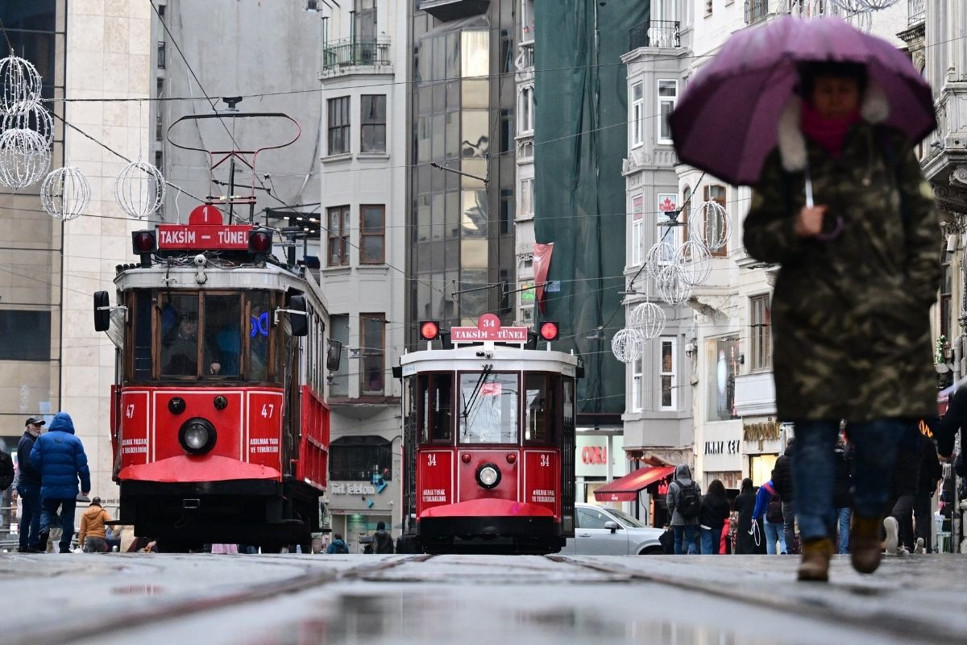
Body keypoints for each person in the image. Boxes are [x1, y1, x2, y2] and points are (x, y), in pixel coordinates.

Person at [744, 60, 941, 582]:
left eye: (843, 92)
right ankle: (814, 541)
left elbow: (927, 232)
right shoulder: (786, 163)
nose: (833, 101)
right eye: (822, 92)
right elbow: (756, 239)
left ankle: (871, 521)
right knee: (812, 436)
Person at [30, 411, 91, 553]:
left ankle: (44, 529)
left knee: (46, 511)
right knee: (68, 516)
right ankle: (64, 546)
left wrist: (43, 470)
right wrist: (85, 486)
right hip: (69, 487)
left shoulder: (43, 439)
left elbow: (33, 457)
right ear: (70, 424)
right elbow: (82, 466)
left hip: (49, 484)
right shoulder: (74, 441)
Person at [16, 416, 45, 552]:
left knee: (27, 515)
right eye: (36, 425)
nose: (39, 428)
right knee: (36, 514)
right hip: (31, 484)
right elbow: (28, 464)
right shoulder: (28, 441)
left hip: (26, 484)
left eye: (40, 426)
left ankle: (23, 544)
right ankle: (33, 543)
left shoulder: (28, 440)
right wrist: (42, 472)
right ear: (28, 427)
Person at [914, 427, 942, 552]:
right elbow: (935, 466)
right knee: (921, 514)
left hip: (905, 482)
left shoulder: (901, 441)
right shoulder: (926, 442)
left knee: (904, 512)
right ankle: (920, 537)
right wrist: (934, 479)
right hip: (922, 483)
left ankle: (907, 543)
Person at [666, 464, 701, 555]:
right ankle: (693, 556)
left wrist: (672, 513)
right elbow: (700, 502)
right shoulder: (695, 484)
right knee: (691, 540)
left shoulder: (673, 485)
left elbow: (669, 503)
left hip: (677, 517)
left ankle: (678, 561)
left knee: (678, 541)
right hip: (692, 518)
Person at [772, 440, 797, 554]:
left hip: (786, 499)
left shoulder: (781, 460)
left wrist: (781, 493)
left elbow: (775, 481)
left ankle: (789, 549)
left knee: (787, 525)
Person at [752, 476, 786, 555]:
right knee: (783, 538)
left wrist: (755, 516)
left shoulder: (764, 487)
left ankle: (771, 560)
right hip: (781, 516)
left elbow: (759, 504)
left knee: (770, 540)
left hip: (767, 516)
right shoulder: (784, 486)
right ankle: (785, 556)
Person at [832, 437, 853, 555]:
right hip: (845, 496)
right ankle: (844, 551)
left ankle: (833, 550)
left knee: (832, 525)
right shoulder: (847, 458)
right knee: (844, 525)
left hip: (832, 497)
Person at [698, 479, 730, 554]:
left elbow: (700, 510)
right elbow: (726, 515)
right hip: (717, 527)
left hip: (705, 526)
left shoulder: (705, 498)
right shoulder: (724, 501)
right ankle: (714, 562)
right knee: (716, 547)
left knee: (706, 547)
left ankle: (706, 563)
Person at [732, 478, 757, 555]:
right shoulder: (756, 496)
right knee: (752, 538)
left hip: (742, 520)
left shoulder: (739, 497)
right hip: (753, 520)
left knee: (742, 538)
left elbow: (735, 510)